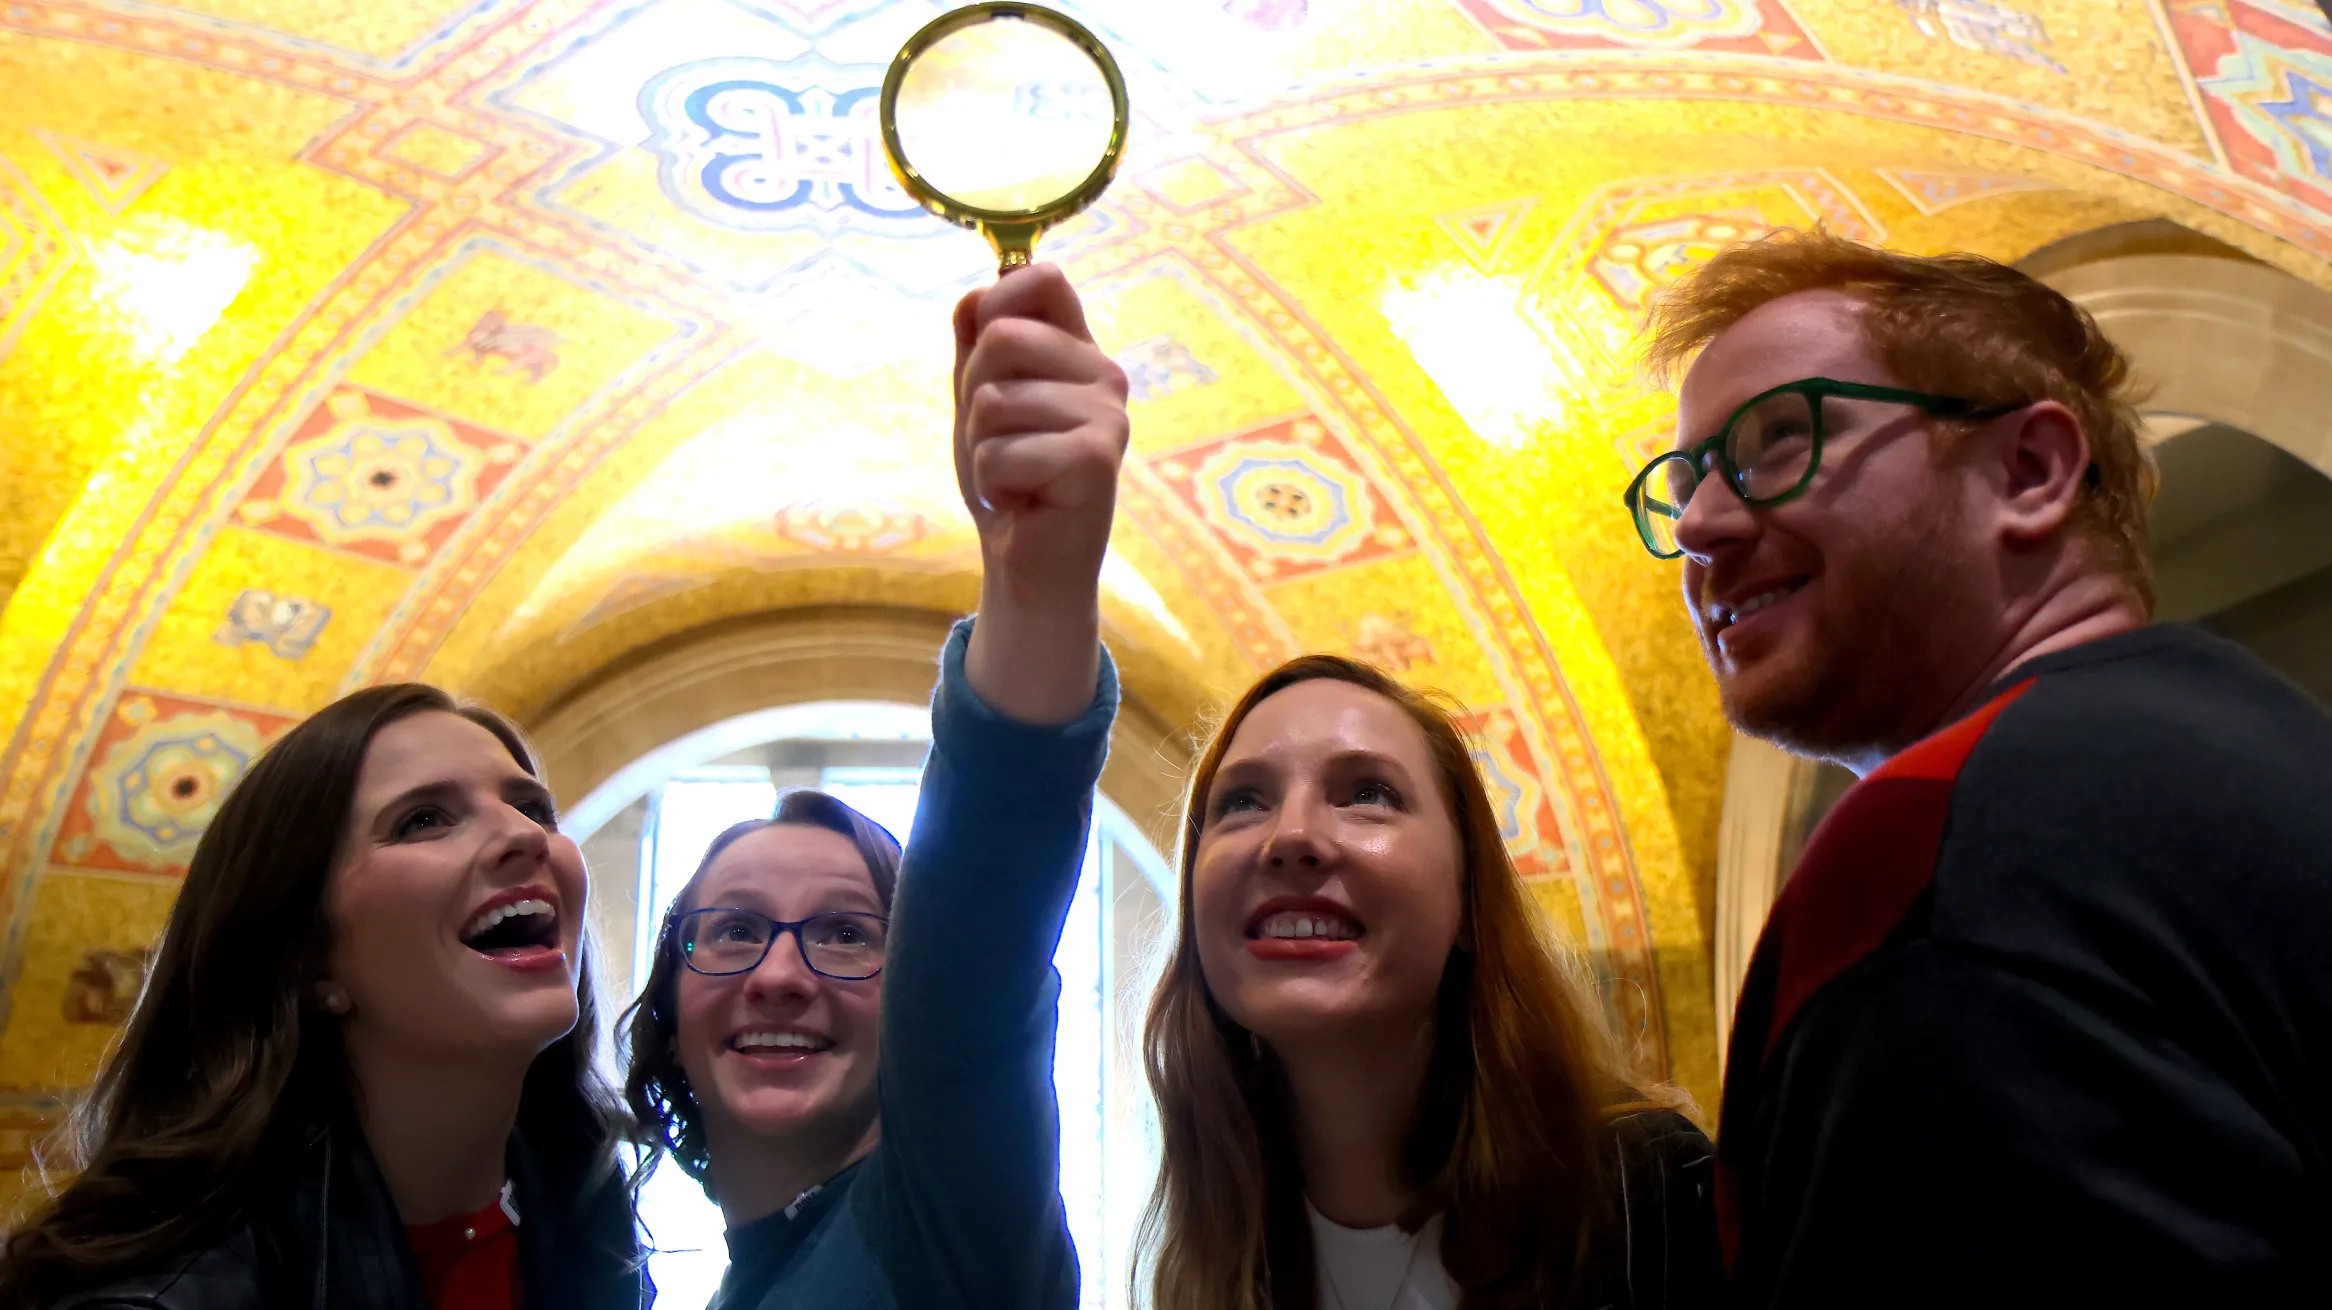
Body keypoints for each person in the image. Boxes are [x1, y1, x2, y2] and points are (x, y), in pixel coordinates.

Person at [1626, 228, 2332, 1306]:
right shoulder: (2268, 740)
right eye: (1685, 483)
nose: (1704, 526)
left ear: (2030, 470)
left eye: (1780, 439)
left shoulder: (1936, 842)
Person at [620, 260, 1129, 1310]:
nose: (779, 973)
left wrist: (1036, 581)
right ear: (667, 1000)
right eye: (731, 929)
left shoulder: (945, 1221)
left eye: (848, 932)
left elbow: (984, 909)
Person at [0, 685, 645, 1310]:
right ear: (308, 959)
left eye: (532, 808)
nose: (525, 836)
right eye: (423, 820)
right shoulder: (169, 1296)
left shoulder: (589, 1212)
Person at [1140, 654, 1720, 1310]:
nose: (1292, 834)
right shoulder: (1206, 1239)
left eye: (1367, 794)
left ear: (1469, 902)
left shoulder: (1652, 1195)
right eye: (1243, 801)